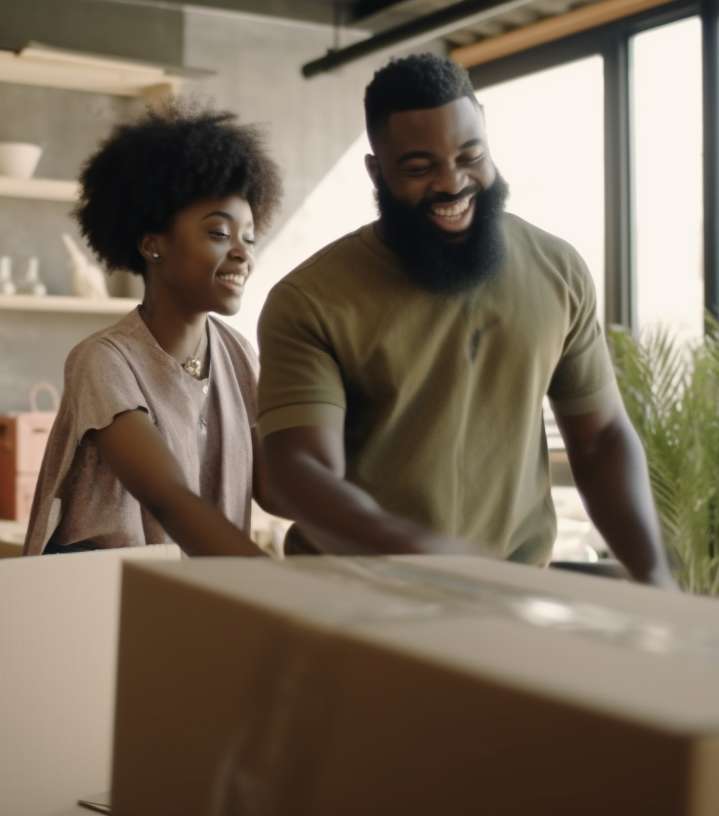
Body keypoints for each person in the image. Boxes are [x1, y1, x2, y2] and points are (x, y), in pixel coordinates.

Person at [256, 54, 676, 587]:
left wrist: (655, 574)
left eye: (469, 155)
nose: (452, 183)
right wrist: (424, 554)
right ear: (376, 171)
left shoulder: (557, 270)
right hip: (353, 604)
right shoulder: (309, 300)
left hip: (511, 599)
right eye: (419, 167)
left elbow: (600, 440)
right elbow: (301, 475)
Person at [23, 100, 285, 558]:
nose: (243, 253)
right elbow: (170, 499)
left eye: (249, 237)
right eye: (220, 234)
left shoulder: (239, 355)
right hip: (104, 612)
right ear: (151, 245)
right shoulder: (104, 361)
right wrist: (271, 581)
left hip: (199, 604)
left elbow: (276, 490)